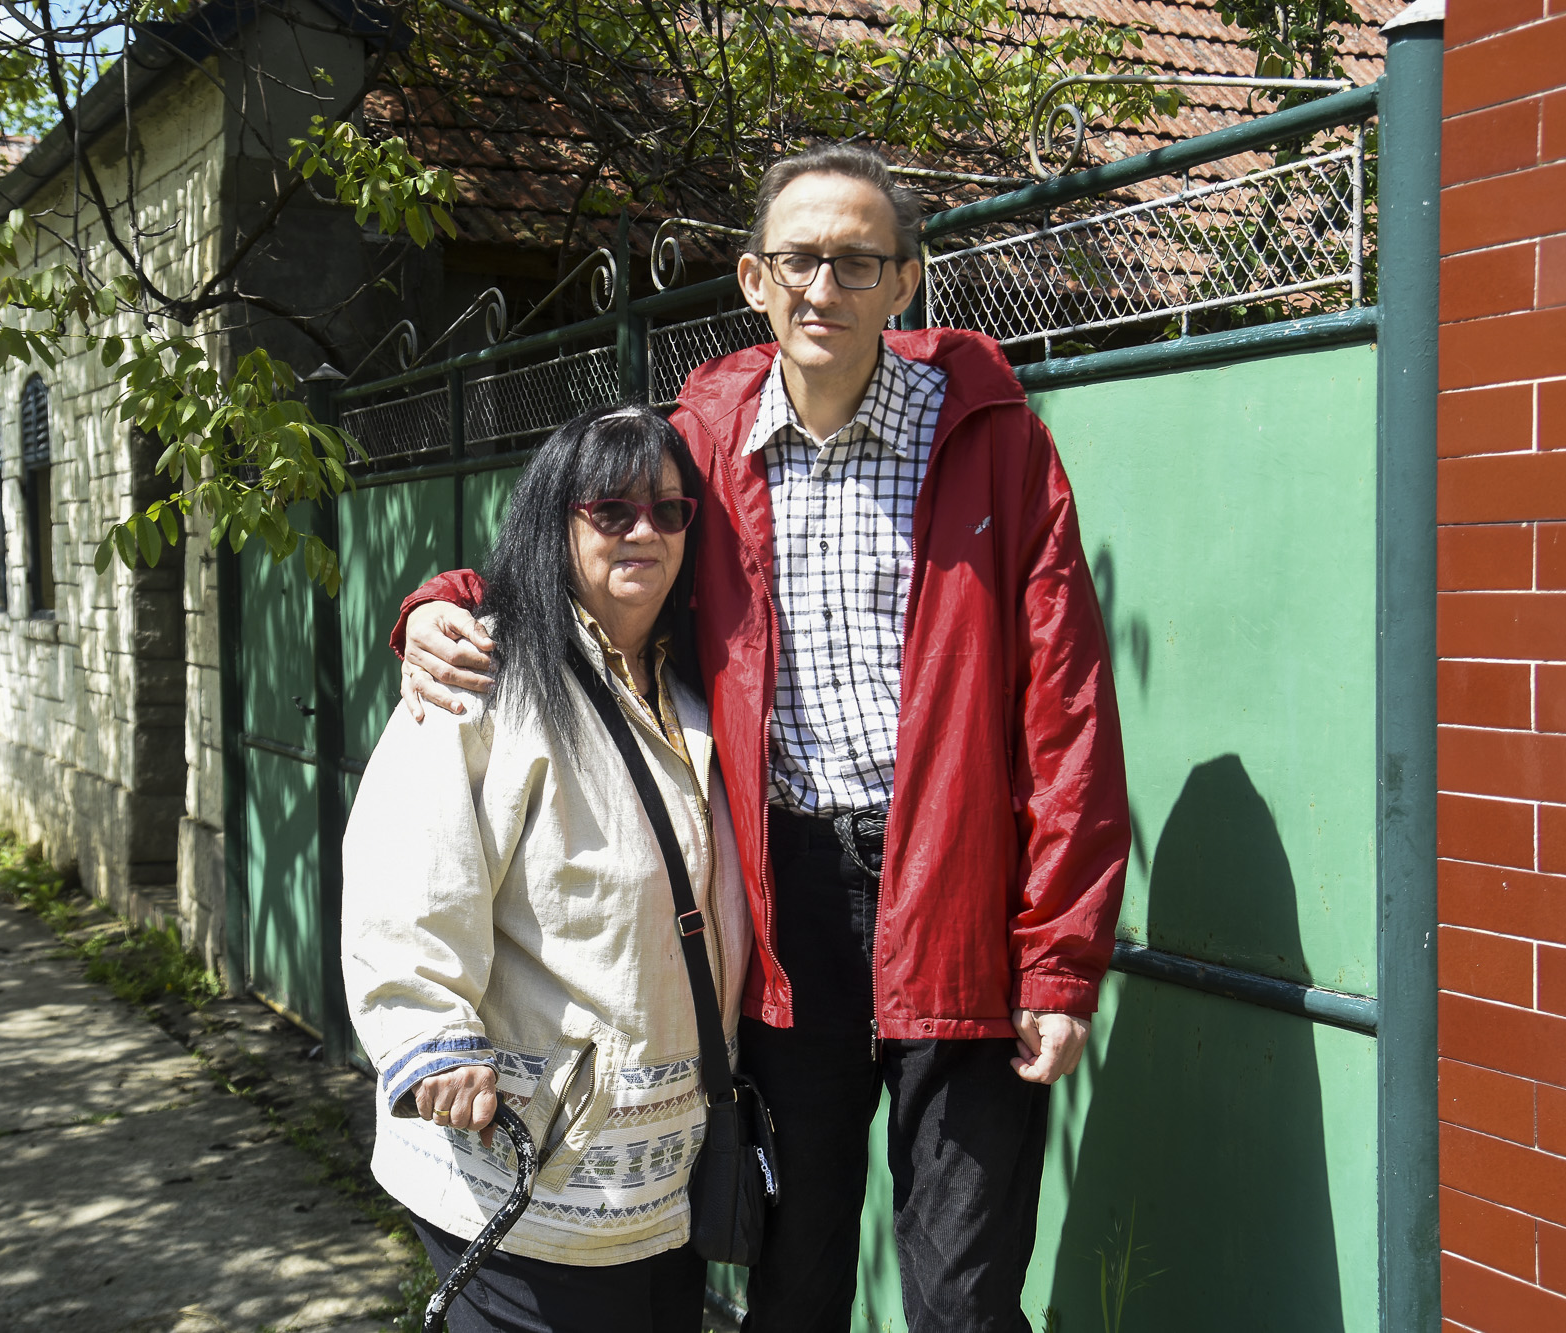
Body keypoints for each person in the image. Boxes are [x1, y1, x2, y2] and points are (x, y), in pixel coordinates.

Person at [391, 143, 1129, 1333]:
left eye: (854, 261)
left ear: (904, 282)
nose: (820, 288)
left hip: (959, 903)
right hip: (777, 912)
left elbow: (1067, 710)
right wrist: (446, 600)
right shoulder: (704, 432)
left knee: (965, 1291)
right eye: (796, 259)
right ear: (750, 278)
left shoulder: (994, 441)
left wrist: (1058, 957)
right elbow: (592, 550)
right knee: (792, 1279)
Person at [342, 405, 753, 1333]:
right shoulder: (479, 676)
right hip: (523, 1167)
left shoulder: (697, 690)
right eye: (611, 509)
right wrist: (432, 1035)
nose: (643, 530)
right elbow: (407, 871)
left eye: (669, 511)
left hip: (663, 1179)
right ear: (554, 521)